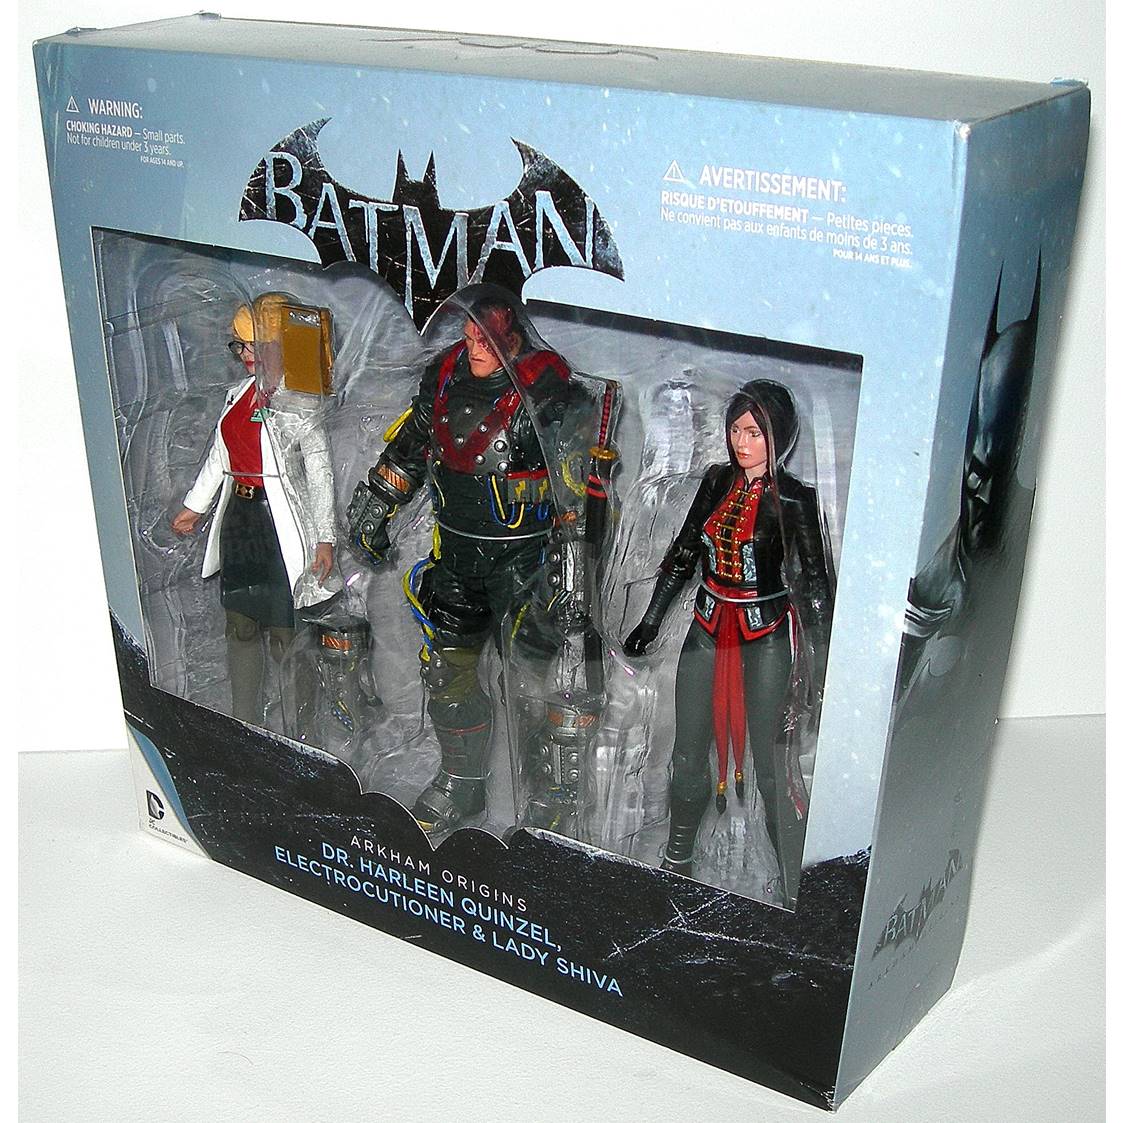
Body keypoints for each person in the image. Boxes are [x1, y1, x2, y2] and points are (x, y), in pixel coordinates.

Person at [347, 292, 581, 834]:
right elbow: (412, 444)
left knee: (531, 683)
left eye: (487, 339)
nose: (475, 347)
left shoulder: (546, 389)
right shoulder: (445, 374)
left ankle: (545, 795)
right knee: (446, 674)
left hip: (525, 565)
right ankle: (461, 782)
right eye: (470, 336)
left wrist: (574, 575)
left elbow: (577, 496)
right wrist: (375, 506)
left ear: (514, 338)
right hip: (455, 559)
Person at [624, 379, 833, 903]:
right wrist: (651, 619)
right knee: (687, 752)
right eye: (737, 430)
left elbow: (814, 587)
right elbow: (683, 551)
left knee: (774, 763)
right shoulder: (717, 481)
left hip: (765, 636)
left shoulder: (796, 498)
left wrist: (824, 663)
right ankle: (678, 856)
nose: (742, 442)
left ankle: (793, 882)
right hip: (708, 625)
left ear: (778, 436)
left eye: (755, 433)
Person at [171, 293, 339, 725]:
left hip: (279, 525)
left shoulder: (301, 403)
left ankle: (300, 726)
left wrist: (325, 538)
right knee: (241, 623)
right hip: (240, 521)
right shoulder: (237, 395)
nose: (245, 354)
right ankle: (243, 718)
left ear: (280, 346)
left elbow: (320, 473)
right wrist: (195, 506)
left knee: (285, 630)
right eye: (239, 345)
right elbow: (220, 456)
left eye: (253, 345)